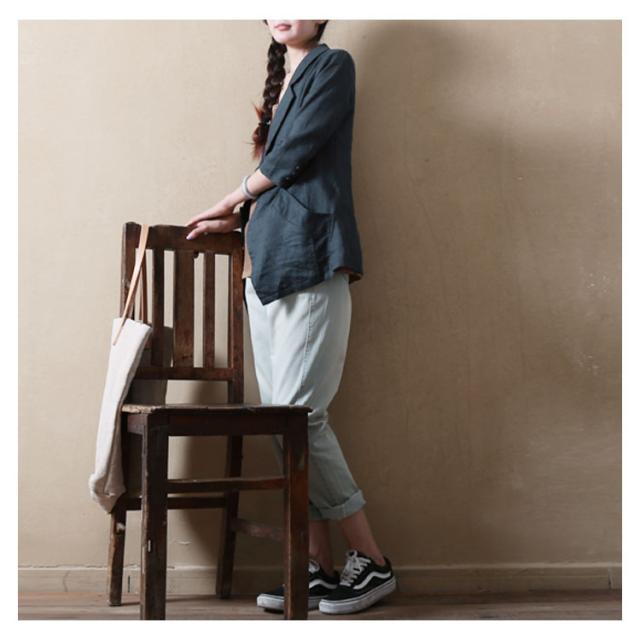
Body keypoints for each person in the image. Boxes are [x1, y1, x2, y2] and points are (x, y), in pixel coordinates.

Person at [185, 20, 396, 616]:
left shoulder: (333, 65)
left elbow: (296, 153)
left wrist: (234, 196)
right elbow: (281, 178)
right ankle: (317, 567)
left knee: (301, 417)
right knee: (284, 424)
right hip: (268, 265)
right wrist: (240, 219)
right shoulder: (281, 80)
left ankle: (372, 561)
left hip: (312, 258)